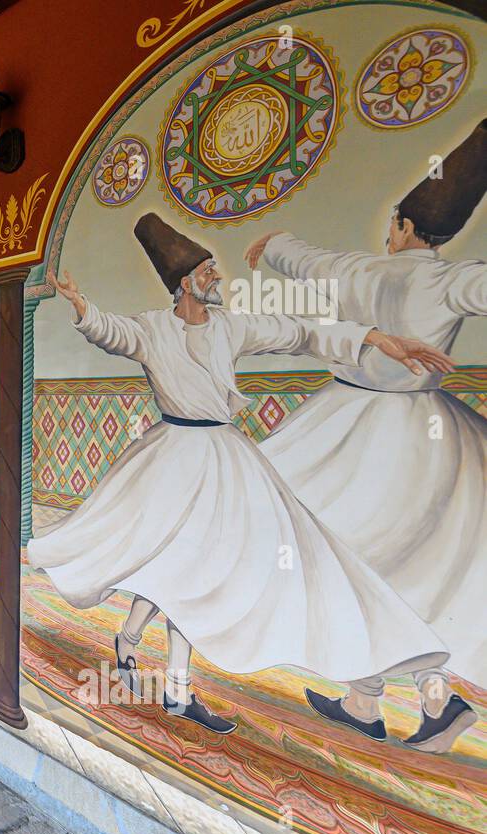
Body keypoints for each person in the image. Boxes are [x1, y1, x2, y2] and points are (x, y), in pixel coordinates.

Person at [24, 211, 455, 735]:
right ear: (185, 283)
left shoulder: (232, 325)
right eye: (208, 272)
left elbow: (298, 333)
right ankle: (162, 675)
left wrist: (373, 337)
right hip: (172, 456)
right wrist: (81, 306)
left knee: (191, 569)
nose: (218, 278)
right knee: (177, 567)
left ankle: (142, 655)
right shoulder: (153, 328)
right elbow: (112, 334)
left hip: (224, 458)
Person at [239, 119, 487, 752]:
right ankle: (429, 699)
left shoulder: (358, 269)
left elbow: (300, 258)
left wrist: (268, 243)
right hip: (432, 434)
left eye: (394, 224)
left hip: (351, 424)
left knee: (349, 559)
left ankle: (369, 699)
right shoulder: (455, 279)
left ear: (403, 227)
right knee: (423, 563)